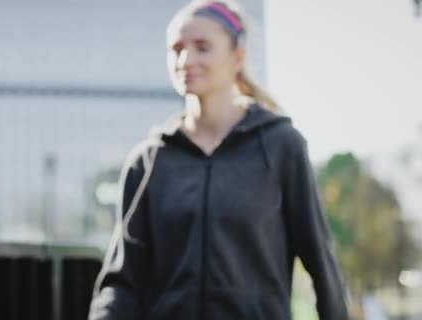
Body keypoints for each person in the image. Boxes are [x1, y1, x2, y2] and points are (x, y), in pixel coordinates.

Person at [88, 0, 349, 319]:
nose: (186, 59)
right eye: (176, 49)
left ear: (237, 56)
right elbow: (122, 280)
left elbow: (321, 264)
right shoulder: (148, 161)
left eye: (202, 47)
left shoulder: (282, 146)